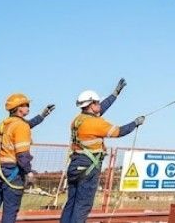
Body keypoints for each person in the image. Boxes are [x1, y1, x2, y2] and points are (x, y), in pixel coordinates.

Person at [60, 80, 144, 223]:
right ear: (91, 105)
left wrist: (114, 94)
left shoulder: (78, 120)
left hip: (75, 165)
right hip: (88, 167)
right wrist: (135, 123)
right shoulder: (95, 123)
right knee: (82, 205)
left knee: (71, 203)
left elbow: (100, 109)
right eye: (97, 102)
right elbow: (119, 131)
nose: (99, 104)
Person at [0, 94, 53, 223]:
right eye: (26, 105)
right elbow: (22, 154)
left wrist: (42, 116)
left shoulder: (3, 125)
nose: (28, 107)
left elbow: (27, 124)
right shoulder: (20, 126)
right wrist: (29, 172)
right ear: (18, 108)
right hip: (13, 172)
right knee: (10, 210)